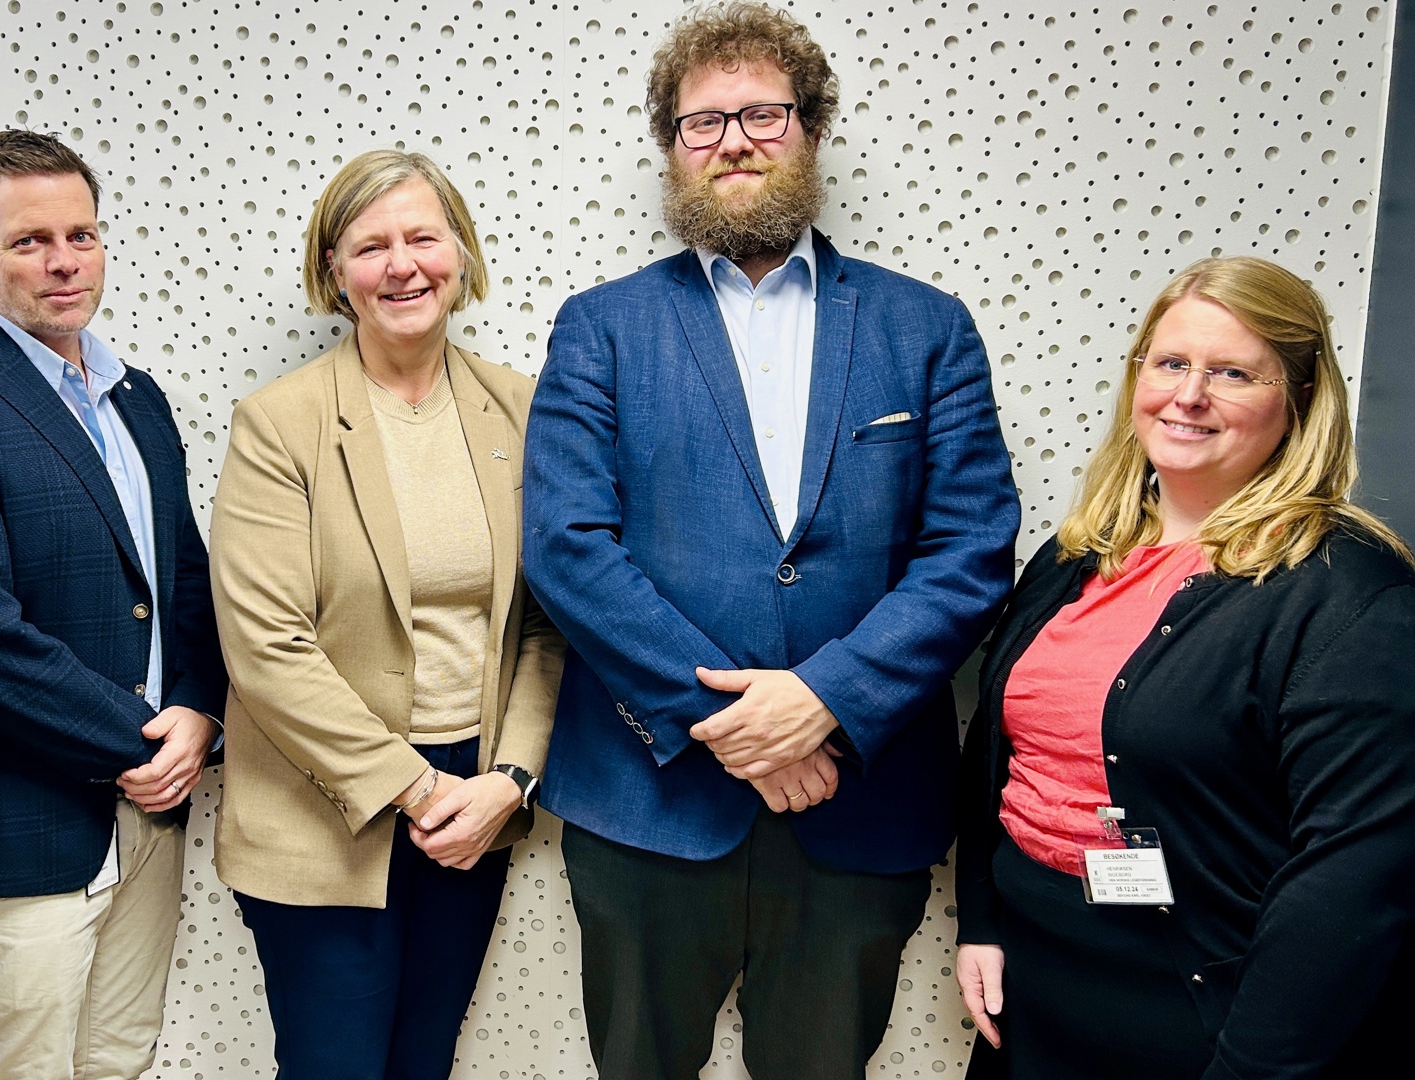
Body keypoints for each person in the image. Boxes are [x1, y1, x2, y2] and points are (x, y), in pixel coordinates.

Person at [520, 2, 1023, 1076]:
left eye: (762, 114)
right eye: (703, 123)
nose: (734, 140)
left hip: (861, 804)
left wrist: (826, 702)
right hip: (650, 805)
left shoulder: (925, 327)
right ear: (671, 149)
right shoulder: (601, 326)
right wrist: (728, 717)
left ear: (811, 129)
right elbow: (568, 547)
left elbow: (972, 549)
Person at [954, 256, 1415, 1079]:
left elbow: (1353, 878)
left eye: (1233, 372)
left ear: (1300, 401)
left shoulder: (1351, 597)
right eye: (1170, 363)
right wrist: (979, 920)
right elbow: (1001, 754)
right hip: (1037, 980)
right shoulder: (1076, 557)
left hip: (1200, 1010)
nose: (1189, 394)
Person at [0, 129, 226, 1080]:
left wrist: (199, 711)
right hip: (18, 831)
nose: (63, 261)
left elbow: (183, 581)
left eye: (82, 234)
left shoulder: (135, 397)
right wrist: (144, 743)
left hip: (149, 817)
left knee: (119, 1062)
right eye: (29, 241)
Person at [208, 148, 565, 1080]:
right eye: (370, 246)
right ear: (336, 271)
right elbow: (265, 647)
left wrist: (510, 778)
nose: (401, 264)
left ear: (461, 252)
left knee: (423, 1063)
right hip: (324, 812)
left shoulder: (524, 410)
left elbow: (545, 622)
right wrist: (415, 787)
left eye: (421, 237)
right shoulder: (279, 423)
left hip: (475, 807)